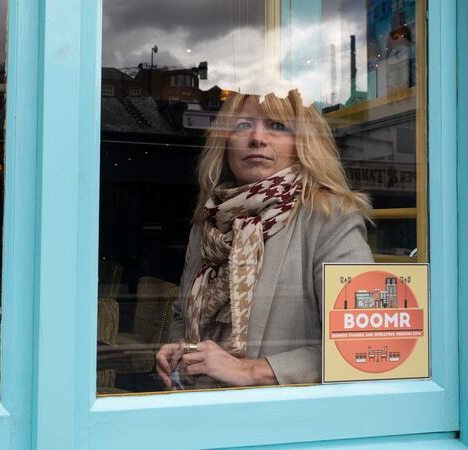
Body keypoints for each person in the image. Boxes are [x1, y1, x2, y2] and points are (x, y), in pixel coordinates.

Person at [155, 90, 373, 389]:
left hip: (283, 418)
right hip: (202, 408)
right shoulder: (208, 222)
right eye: (243, 125)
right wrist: (180, 351)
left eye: (277, 125)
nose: (257, 137)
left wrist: (251, 371)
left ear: (302, 143)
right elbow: (182, 315)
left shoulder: (330, 217)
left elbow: (360, 344)